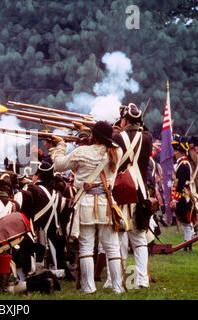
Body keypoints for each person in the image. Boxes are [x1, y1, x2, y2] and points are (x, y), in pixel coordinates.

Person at [49, 121, 125, 294]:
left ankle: (89, 288)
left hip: (85, 204)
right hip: (107, 204)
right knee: (112, 248)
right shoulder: (117, 152)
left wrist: (60, 145)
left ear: (94, 136)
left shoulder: (82, 152)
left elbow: (59, 165)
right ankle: (117, 288)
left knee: (86, 247)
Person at [109, 103, 153, 289]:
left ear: (125, 120)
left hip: (120, 192)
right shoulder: (148, 138)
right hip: (141, 193)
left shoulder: (116, 137)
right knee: (139, 239)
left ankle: (117, 280)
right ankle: (141, 280)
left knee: (118, 238)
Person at [171, 138, 197, 251]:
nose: (173, 153)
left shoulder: (183, 165)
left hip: (183, 196)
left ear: (179, 151)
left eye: (175, 151)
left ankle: (187, 244)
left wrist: (175, 199)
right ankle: (188, 243)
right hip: (184, 195)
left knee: (186, 221)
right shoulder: (184, 163)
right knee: (186, 221)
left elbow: (181, 184)